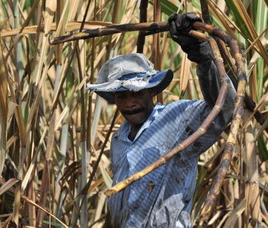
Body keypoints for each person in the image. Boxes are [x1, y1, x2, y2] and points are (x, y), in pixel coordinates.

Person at [86, 13, 235, 227]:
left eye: (136, 93)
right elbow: (120, 197)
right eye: (122, 95)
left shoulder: (176, 118)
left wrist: (201, 56)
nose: (129, 103)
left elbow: (222, 109)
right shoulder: (120, 138)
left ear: (151, 92)